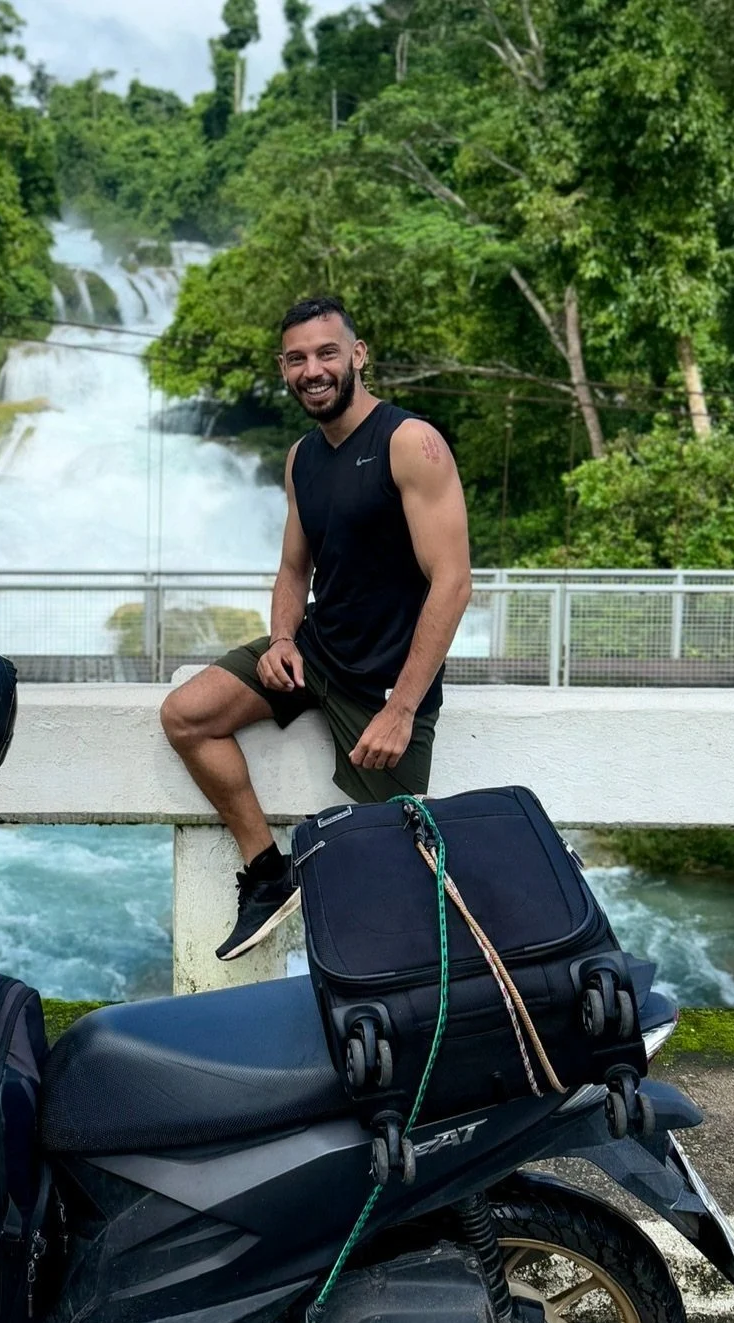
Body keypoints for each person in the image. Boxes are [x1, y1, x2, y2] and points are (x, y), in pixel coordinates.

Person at [160, 295, 472, 961]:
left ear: (358, 356)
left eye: (327, 353)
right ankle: (268, 874)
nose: (313, 369)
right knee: (188, 716)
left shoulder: (410, 444)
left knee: (395, 883)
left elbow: (453, 582)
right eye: (298, 358)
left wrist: (403, 710)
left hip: (385, 687)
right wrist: (279, 641)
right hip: (315, 653)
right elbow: (292, 568)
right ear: (284, 368)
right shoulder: (303, 457)